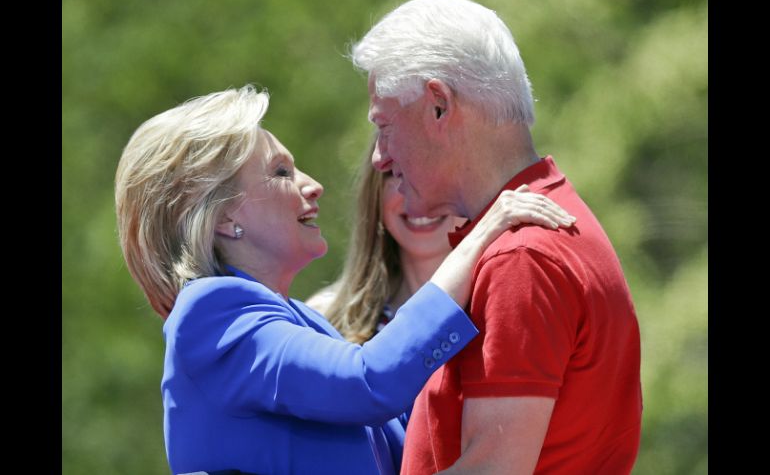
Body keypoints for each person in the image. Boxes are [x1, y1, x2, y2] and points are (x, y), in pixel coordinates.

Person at [114, 85, 575, 475]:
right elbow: (368, 381)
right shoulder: (211, 313)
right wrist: (483, 234)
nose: (312, 184)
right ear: (222, 214)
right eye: (280, 172)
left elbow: (409, 436)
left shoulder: (293, 316)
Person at [351, 0, 643, 474]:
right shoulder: (538, 231)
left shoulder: (523, 256)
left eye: (384, 125)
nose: (380, 156)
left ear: (439, 105)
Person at [306, 138, 467, 344]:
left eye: (438, 169)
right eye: (396, 171)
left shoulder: (498, 308)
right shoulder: (324, 320)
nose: (419, 192)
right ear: (375, 193)